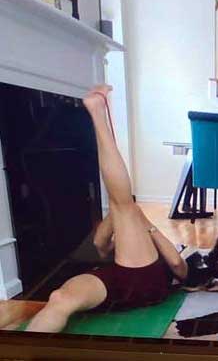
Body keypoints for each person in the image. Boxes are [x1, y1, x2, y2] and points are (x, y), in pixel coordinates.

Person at [26, 85, 188, 333]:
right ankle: (25, 347)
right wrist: (129, 214)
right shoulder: (133, 234)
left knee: (122, 205)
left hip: (145, 282)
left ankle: (98, 113)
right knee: (60, 299)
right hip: (116, 281)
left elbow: (177, 265)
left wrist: (144, 222)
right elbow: (100, 244)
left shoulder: (157, 255)